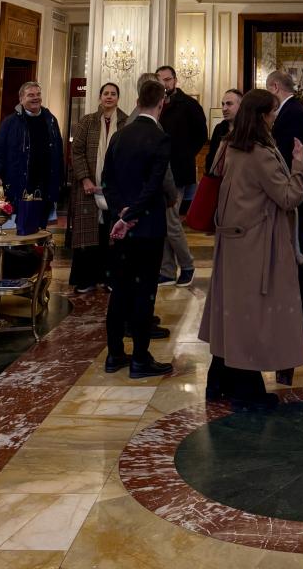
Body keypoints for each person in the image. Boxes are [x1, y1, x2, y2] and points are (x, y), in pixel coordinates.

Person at [199, 88, 303, 408]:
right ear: (261, 116)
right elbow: (288, 197)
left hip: (232, 240)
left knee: (230, 311)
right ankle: (246, 391)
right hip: (255, 245)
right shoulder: (259, 153)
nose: (275, 117)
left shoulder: (230, 146)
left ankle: (217, 381)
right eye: (272, 112)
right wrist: (298, 165)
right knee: (250, 315)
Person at [102, 78, 174, 379]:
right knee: (145, 292)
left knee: (119, 290)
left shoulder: (120, 135)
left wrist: (121, 212)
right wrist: (133, 214)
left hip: (121, 227)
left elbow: (107, 180)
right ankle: (140, 359)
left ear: (137, 102)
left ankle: (114, 354)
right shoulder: (159, 138)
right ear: (161, 104)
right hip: (148, 228)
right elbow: (154, 185)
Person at [267, 69, 303, 341]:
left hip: (299, 195)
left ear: (275, 87)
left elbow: (290, 159)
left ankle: (302, 320)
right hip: (298, 192)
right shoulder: (293, 110)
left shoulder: (292, 113)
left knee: (296, 255)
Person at [156, 65, 208, 287]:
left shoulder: (188, 105)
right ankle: (167, 270)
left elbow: (201, 135)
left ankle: (187, 265)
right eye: (160, 80)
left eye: (167, 79)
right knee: (163, 222)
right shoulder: (156, 104)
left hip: (177, 171)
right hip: (158, 171)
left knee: (171, 222)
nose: (164, 84)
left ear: (175, 80)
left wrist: (185, 154)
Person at [68, 82, 121, 294]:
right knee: (88, 235)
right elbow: (76, 151)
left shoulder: (126, 122)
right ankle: (86, 279)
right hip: (88, 187)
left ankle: (110, 278)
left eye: (113, 94)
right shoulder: (87, 121)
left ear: (118, 98)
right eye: (105, 93)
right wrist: (85, 179)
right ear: (100, 97)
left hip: (115, 189)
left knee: (112, 234)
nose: (109, 96)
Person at [0, 80, 63, 222]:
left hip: (44, 185)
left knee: (40, 227)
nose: (36, 98)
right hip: (19, 185)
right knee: (19, 226)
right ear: (21, 99)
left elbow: (59, 152)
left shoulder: (51, 120)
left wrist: (59, 183)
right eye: (31, 95)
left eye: (38, 94)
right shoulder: (10, 122)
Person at [204, 88, 243, 173]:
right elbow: (211, 156)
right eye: (223, 104)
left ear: (241, 106)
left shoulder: (247, 129)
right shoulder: (219, 128)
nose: (224, 108)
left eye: (229, 104)